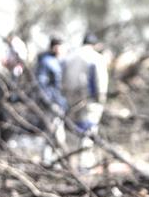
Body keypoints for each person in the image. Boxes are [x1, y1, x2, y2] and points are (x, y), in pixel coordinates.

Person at [61, 33, 109, 169]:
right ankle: (84, 165)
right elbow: (100, 81)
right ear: (95, 44)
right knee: (88, 131)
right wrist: (101, 99)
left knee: (74, 131)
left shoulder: (69, 57)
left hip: (71, 99)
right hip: (89, 100)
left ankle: (71, 162)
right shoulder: (96, 58)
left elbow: (62, 79)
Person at [35, 37, 67, 112]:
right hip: (49, 101)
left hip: (56, 100)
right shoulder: (47, 61)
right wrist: (48, 102)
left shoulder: (57, 61)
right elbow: (42, 83)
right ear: (55, 47)